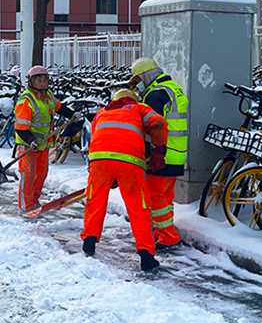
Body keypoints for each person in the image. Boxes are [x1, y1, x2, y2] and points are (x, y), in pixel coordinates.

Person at [81, 88, 169, 272]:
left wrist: (109, 172)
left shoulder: (102, 111)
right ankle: (146, 255)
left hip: (99, 160)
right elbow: (158, 123)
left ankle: (89, 241)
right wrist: (158, 152)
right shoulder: (140, 108)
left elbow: (98, 135)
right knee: (139, 207)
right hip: (130, 161)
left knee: (95, 200)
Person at [129, 57, 188, 250]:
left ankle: (167, 237)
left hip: (161, 154)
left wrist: (148, 155)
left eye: (138, 80)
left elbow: (152, 130)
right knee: (165, 198)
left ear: (145, 75)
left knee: (156, 199)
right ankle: (163, 232)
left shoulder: (155, 94)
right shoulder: (173, 88)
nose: (137, 85)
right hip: (176, 153)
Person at [13, 66, 78, 212]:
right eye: (39, 80)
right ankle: (25, 206)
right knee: (28, 177)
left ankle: (34, 200)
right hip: (28, 145)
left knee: (41, 174)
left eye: (45, 80)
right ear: (31, 82)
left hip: (43, 145)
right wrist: (31, 141)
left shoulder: (47, 95)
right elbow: (20, 127)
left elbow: (59, 107)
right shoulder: (26, 101)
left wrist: (73, 115)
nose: (42, 83)